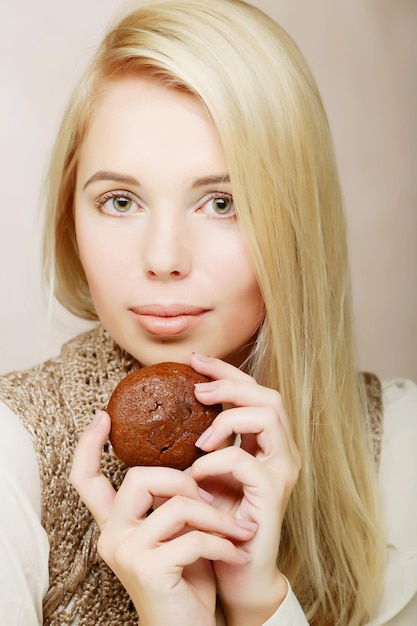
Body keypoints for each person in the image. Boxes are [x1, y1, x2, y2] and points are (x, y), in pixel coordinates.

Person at [0, 0, 416, 624]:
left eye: (222, 202)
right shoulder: (12, 457)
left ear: (297, 220)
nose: (164, 258)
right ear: (71, 219)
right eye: (119, 200)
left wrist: (259, 603)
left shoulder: (401, 452)